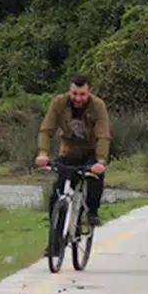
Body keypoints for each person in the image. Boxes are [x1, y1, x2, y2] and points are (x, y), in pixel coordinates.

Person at [35, 75, 111, 230]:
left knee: (96, 178)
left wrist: (101, 161)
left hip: (91, 151)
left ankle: (92, 212)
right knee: (57, 190)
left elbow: (103, 135)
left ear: (90, 92)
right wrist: (43, 153)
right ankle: (55, 234)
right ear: (69, 91)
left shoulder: (98, 106)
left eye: (82, 94)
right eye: (74, 94)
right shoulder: (59, 103)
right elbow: (46, 130)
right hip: (69, 151)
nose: (78, 98)